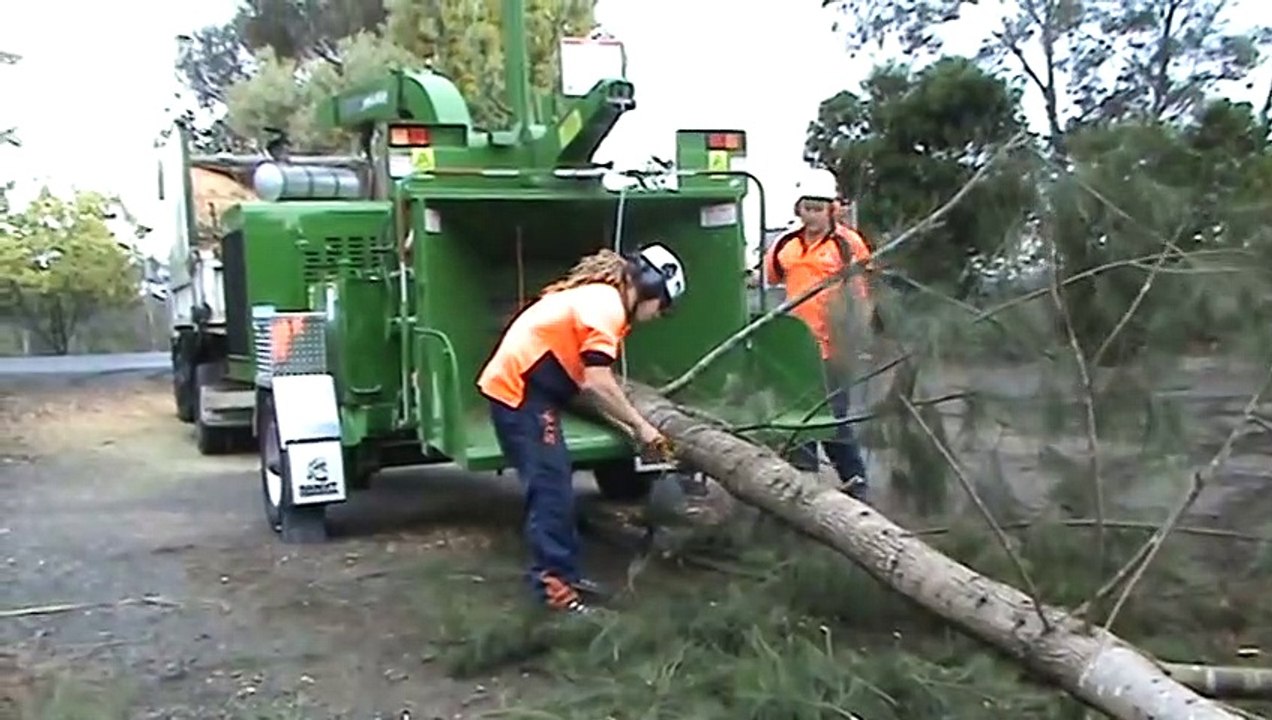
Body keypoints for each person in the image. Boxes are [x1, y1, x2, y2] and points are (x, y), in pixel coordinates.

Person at [476, 244, 684, 615]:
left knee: (556, 487)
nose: (658, 315)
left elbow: (586, 382)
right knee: (552, 491)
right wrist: (643, 427)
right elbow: (597, 383)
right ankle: (554, 590)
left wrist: (631, 428)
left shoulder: (599, 299)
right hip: (521, 396)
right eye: (662, 306)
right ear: (650, 287)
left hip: (533, 391)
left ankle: (565, 573)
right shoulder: (605, 309)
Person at [763, 167, 873, 500]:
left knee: (834, 419)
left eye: (817, 208)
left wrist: (857, 338)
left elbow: (862, 292)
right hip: (796, 347)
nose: (811, 215)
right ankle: (805, 486)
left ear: (832, 209)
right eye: (805, 207)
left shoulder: (846, 244)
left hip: (834, 346)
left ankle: (856, 484)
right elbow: (770, 277)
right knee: (799, 419)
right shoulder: (786, 244)